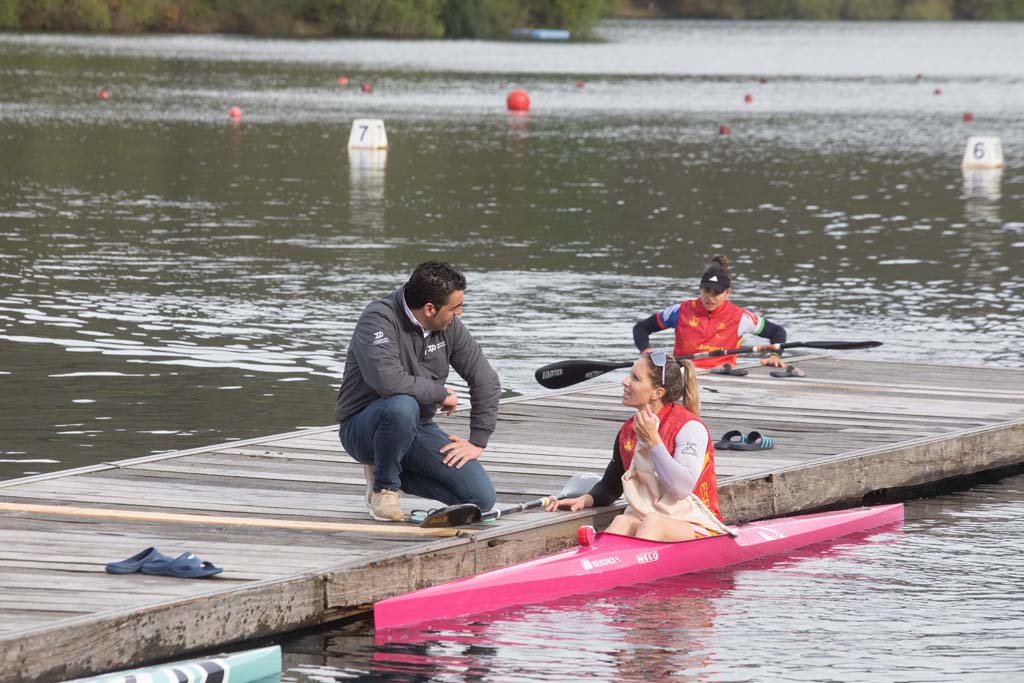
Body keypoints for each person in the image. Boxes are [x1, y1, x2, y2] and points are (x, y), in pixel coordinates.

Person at [335, 261, 500, 522]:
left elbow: (485, 379)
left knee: (480, 499)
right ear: (429, 308)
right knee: (402, 404)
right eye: (454, 308)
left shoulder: (449, 326)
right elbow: (388, 382)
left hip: (418, 426)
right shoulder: (378, 320)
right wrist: (440, 393)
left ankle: (386, 468)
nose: (459, 314)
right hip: (364, 426)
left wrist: (477, 441)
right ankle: (384, 489)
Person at [546, 351, 723, 542]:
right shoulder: (628, 430)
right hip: (651, 517)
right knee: (622, 521)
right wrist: (585, 499)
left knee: (652, 522)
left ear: (658, 393)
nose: (625, 381)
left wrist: (654, 442)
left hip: (698, 523)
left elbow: (681, 489)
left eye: (635, 378)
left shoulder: (689, 427)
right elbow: (610, 487)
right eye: (629, 374)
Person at [633, 254, 788, 369]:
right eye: (706, 291)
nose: (710, 298)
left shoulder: (741, 317)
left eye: (716, 293)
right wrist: (646, 350)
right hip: (684, 375)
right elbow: (641, 328)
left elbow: (777, 332)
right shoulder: (680, 311)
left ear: (727, 292)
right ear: (700, 289)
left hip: (722, 376)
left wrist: (774, 356)